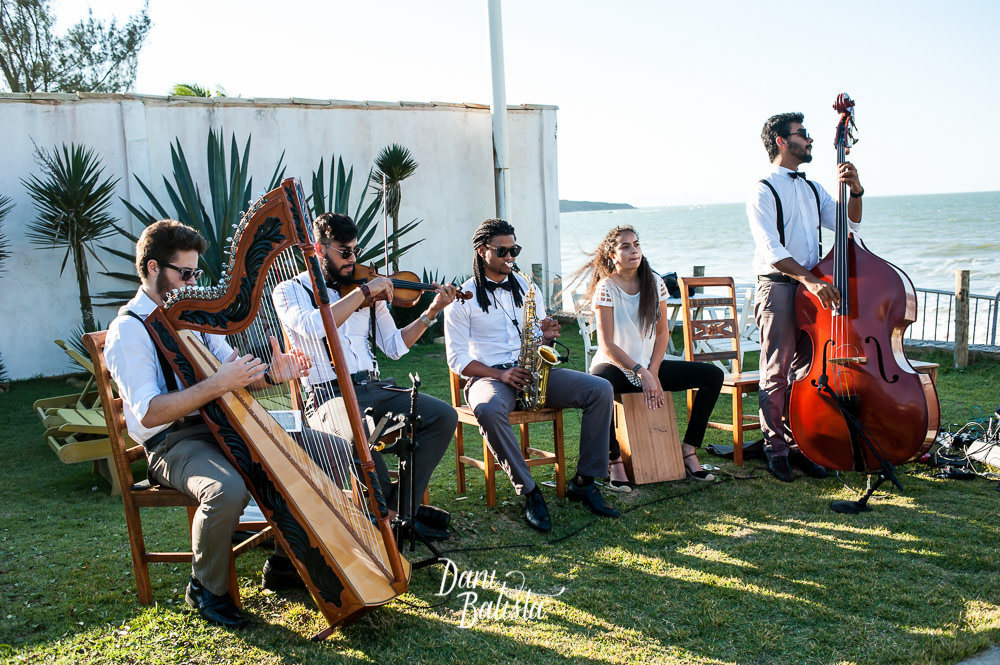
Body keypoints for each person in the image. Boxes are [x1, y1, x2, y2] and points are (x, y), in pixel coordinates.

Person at [104, 220, 315, 629]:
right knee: (227, 490)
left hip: (219, 426)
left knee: (301, 452)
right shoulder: (128, 331)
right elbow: (150, 413)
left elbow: (233, 369)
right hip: (171, 443)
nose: (191, 282)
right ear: (152, 268)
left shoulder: (191, 316)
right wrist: (216, 384)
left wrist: (272, 373)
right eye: (184, 274)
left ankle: (286, 561)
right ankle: (206, 588)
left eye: (195, 274)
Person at [271, 212, 458, 541]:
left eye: (355, 251)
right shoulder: (289, 290)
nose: (352, 260)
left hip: (374, 388)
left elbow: (395, 346)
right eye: (344, 252)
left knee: (443, 416)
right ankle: (391, 522)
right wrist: (361, 294)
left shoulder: (365, 290)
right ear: (318, 248)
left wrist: (431, 313)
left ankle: (396, 513)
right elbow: (316, 326)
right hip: (328, 397)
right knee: (360, 437)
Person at [443, 218, 619, 533]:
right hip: (489, 377)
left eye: (515, 249)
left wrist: (548, 335)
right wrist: (501, 374)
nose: (511, 257)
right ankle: (530, 491)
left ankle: (584, 480)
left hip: (532, 370)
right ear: (483, 251)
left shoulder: (527, 287)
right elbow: (457, 358)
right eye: (503, 251)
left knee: (601, 389)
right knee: (486, 408)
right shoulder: (462, 297)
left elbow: (537, 337)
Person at [747, 112, 864, 482]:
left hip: (810, 289)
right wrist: (811, 281)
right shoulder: (762, 189)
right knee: (776, 371)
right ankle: (775, 448)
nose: (810, 140)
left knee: (808, 371)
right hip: (779, 287)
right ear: (782, 141)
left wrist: (857, 190)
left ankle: (802, 445)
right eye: (803, 134)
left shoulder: (813, 188)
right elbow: (771, 249)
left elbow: (850, 224)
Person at [581, 225, 724, 488]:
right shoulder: (606, 287)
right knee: (599, 385)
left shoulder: (654, 283)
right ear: (612, 255)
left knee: (713, 376)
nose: (633, 250)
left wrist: (653, 371)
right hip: (615, 366)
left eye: (636, 244)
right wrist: (642, 372)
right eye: (625, 246)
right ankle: (614, 463)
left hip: (649, 366)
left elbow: (661, 334)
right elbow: (607, 343)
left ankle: (689, 450)